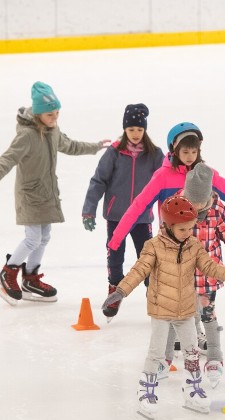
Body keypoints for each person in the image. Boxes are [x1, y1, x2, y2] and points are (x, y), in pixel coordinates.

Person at [102, 196, 225, 420]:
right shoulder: (153, 246)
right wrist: (121, 290)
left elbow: (210, 266)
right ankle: (146, 389)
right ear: (167, 226)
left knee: (191, 351)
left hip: (185, 309)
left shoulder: (193, 246)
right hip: (161, 309)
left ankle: (192, 388)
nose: (188, 233)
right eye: (183, 229)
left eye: (191, 228)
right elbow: (138, 271)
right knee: (156, 352)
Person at [0, 82, 109, 306]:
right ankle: (7, 273)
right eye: (50, 114)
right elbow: (9, 157)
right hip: (29, 194)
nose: (55, 117)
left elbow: (70, 145)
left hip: (47, 192)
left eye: (57, 112)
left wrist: (95, 146)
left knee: (45, 237)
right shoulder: (27, 136)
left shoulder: (53, 131)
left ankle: (30, 278)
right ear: (39, 113)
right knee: (33, 238)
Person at [107, 122, 225, 253]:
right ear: (174, 149)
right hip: (171, 246)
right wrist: (116, 240)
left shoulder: (205, 175)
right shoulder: (162, 177)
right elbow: (138, 206)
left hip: (200, 248)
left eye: (194, 152)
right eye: (185, 152)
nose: (190, 157)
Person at [162, 163, 225, 388]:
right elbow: (164, 238)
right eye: (193, 202)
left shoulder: (216, 209)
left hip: (207, 275)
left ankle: (214, 357)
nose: (197, 207)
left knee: (208, 315)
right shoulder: (175, 207)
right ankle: (164, 358)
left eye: (201, 203)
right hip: (181, 275)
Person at [81, 104, 164, 319]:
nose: (135, 134)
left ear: (144, 130)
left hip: (142, 216)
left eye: (139, 130)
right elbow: (98, 181)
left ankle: (153, 293)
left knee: (146, 256)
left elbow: (165, 179)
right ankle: (115, 291)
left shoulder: (154, 154)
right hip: (117, 215)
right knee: (115, 255)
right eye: (131, 130)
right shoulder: (115, 153)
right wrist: (89, 210)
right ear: (125, 130)